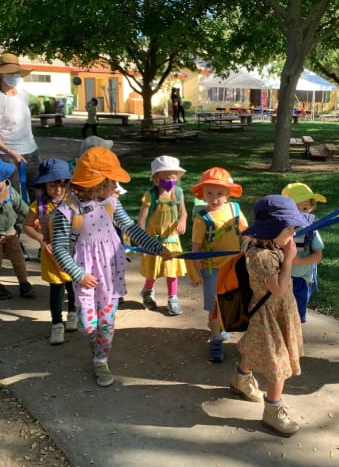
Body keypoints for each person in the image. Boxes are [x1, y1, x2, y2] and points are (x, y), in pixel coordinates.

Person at [52, 147, 171, 387]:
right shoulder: (67, 211)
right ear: (97, 184)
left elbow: (131, 229)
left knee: (106, 322)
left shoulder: (111, 203)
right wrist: (77, 274)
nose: (116, 185)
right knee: (87, 325)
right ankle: (97, 343)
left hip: (110, 272)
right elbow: (59, 248)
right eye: (112, 181)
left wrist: (156, 247)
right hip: (84, 274)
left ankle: (100, 359)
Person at [230, 195, 307, 436]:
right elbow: (279, 288)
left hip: (276, 311)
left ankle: (241, 380)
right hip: (268, 316)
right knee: (278, 364)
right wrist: (290, 259)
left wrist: (285, 249)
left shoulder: (265, 245)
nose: (293, 234)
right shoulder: (262, 256)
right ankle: (272, 410)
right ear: (273, 230)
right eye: (289, 229)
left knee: (254, 349)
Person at [190, 167, 248, 363]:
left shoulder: (235, 210)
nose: (214, 198)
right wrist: (197, 273)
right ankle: (216, 341)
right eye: (209, 193)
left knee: (229, 301)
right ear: (202, 194)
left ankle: (218, 327)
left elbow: (246, 233)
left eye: (220, 194)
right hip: (212, 269)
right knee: (215, 306)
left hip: (234, 266)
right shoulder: (202, 219)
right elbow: (196, 248)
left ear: (228, 194)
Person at [23, 159, 77, 344]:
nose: (59, 189)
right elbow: (27, 226)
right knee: (56, 291)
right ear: (44, 185)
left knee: (73, 288)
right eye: (53, 185)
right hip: (52, 255)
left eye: (63, 185)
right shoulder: (38, 205)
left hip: (73, 254)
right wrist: (41, 238)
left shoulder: (73, 202)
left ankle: (73, 313)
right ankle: (56, 324)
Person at [138, 155, 187, 315]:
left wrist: (182, 221)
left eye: (173, 177)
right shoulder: (150, 195)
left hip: (172, 240)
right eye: (165, 178)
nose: (170, 181)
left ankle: (173, 298)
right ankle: (147, 291)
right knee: (153, 271)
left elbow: (183, 212)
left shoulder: (178, 194)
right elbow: (142, 218)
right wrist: (141, 240)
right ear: (156, 178)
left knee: (171, 271)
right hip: (153, 241)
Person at [281, 182, 326, 323]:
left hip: (301, 280)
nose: (301, 213)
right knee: (280, 315)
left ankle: (294, 342)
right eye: (296, 208)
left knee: (296, 318)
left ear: (311, 208)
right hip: (281, 279)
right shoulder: (279, 229)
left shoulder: (311, 230)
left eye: (305, 208)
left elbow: (318, 256)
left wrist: (298, 261)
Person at [0, 53, 40, 202]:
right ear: (1, 75)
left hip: (32, 152)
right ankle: (17, 225)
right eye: (10, 73)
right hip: (8, 157)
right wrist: (11, 153)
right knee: (14, 197)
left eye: (16, 73)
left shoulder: (24, 95)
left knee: (37, 194)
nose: (14, 76)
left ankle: (35, 224)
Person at [0, 159, 33, 299]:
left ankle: (24, 282)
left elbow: (23, 208)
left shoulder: (11, 192)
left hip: (11, 234)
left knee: (18, 259)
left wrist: (32, 218)